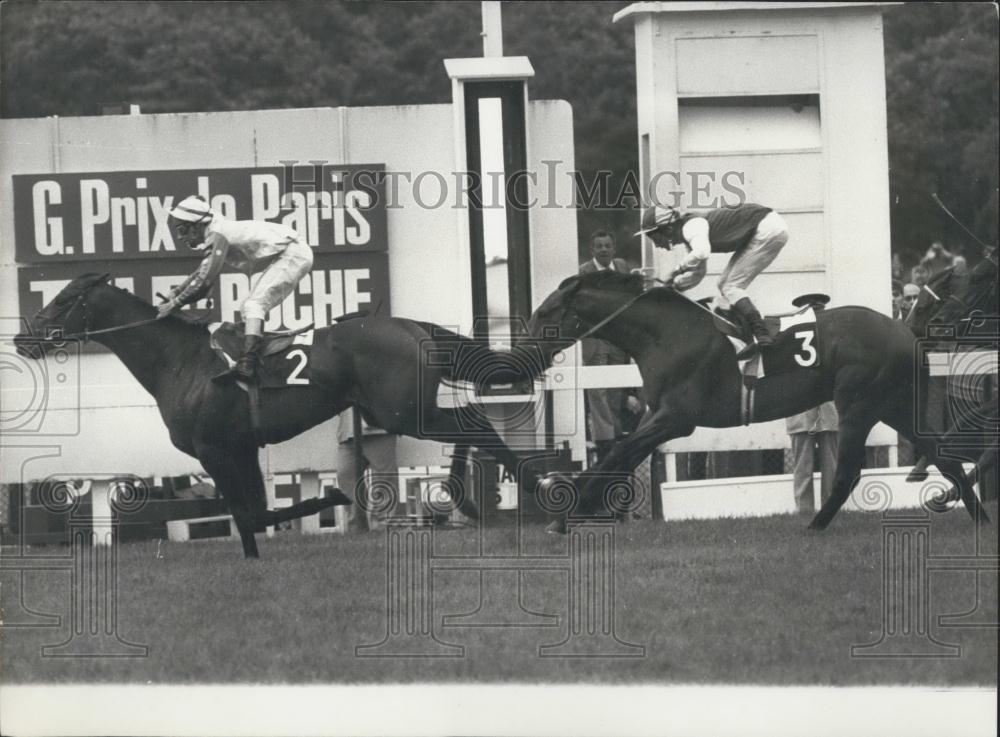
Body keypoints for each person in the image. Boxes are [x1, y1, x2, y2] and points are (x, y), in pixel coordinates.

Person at [158, 195, 314, 384]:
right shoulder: (215, 230)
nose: (180, 237)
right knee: (248, 309)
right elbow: (202, 272)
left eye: (182, 230)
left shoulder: (218, 233)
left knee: (254, 305)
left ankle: (247, 364)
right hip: (292, 250)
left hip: (294, 252)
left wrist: (175, 303)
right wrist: (177, 292)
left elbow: (204, 281)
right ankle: (253, 357)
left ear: (197, 225)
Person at [635, 202, 788, 358]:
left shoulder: (691, 226)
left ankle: (761, 334)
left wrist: (674, 272)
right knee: (724, 284)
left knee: (730, 286)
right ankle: (750, 336)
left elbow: (701, 252)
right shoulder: (691, 232)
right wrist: (675, 285)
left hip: (767, 228)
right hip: (766, 226)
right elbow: (698, 273)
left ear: (668, 229)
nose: (655, 244)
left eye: (653, 237)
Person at [578, 230, 642, 464]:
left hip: (618, 337)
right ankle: (605, 443)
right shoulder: (585, 271)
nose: (604, 249)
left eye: (607, 245)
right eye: (599, 246)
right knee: (598, 390)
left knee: (616, 389)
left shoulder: (622, 266)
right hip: (596, 338)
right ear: (592, 250)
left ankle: (615, 436)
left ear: (614, 249)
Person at [334, 408, 399, 533]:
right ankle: (355, 527)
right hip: (348, 431)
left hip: (380, 429)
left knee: (383, 478)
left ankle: (382, 528)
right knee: (345, 475)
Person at [786, 402, 839, 514]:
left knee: (831, 466)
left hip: (830, 412)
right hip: (800, 413)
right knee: (802, 465)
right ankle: (803, 511)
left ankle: (831, 510)